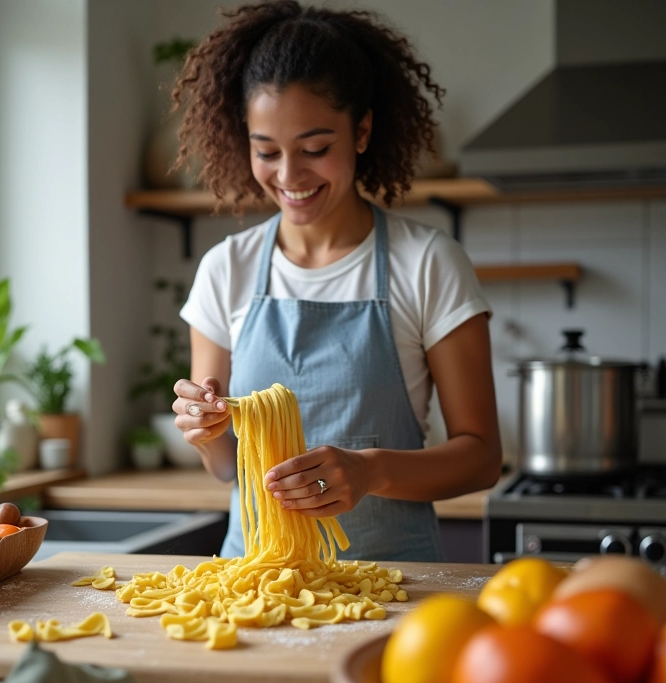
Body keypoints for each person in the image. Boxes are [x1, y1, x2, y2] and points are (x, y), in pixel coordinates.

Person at [170, 0, 502, 562]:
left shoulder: (427, 263)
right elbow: (227, 465)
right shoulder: (225, 270)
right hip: (258, 586)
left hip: (394, 586)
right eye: (266, 151)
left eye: (315, 149)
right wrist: (204, 431)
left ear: (363, 131)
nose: (290, 176)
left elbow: (481, 457)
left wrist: (370, 472)